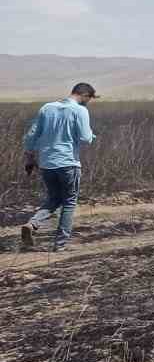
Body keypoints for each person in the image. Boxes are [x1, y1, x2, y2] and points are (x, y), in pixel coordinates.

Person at [20, 81, 98, 253]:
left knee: (54, 198)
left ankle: (32, 223)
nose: (88, 103)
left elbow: (32, 135)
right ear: (84, 95)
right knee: (69, 202)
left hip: (47, 163)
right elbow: (86, 138)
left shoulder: (47, 108)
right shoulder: (80, 110)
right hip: (68, 162)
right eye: (89, 99)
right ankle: (60, 244)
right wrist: (92, 135)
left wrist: (29, 157)